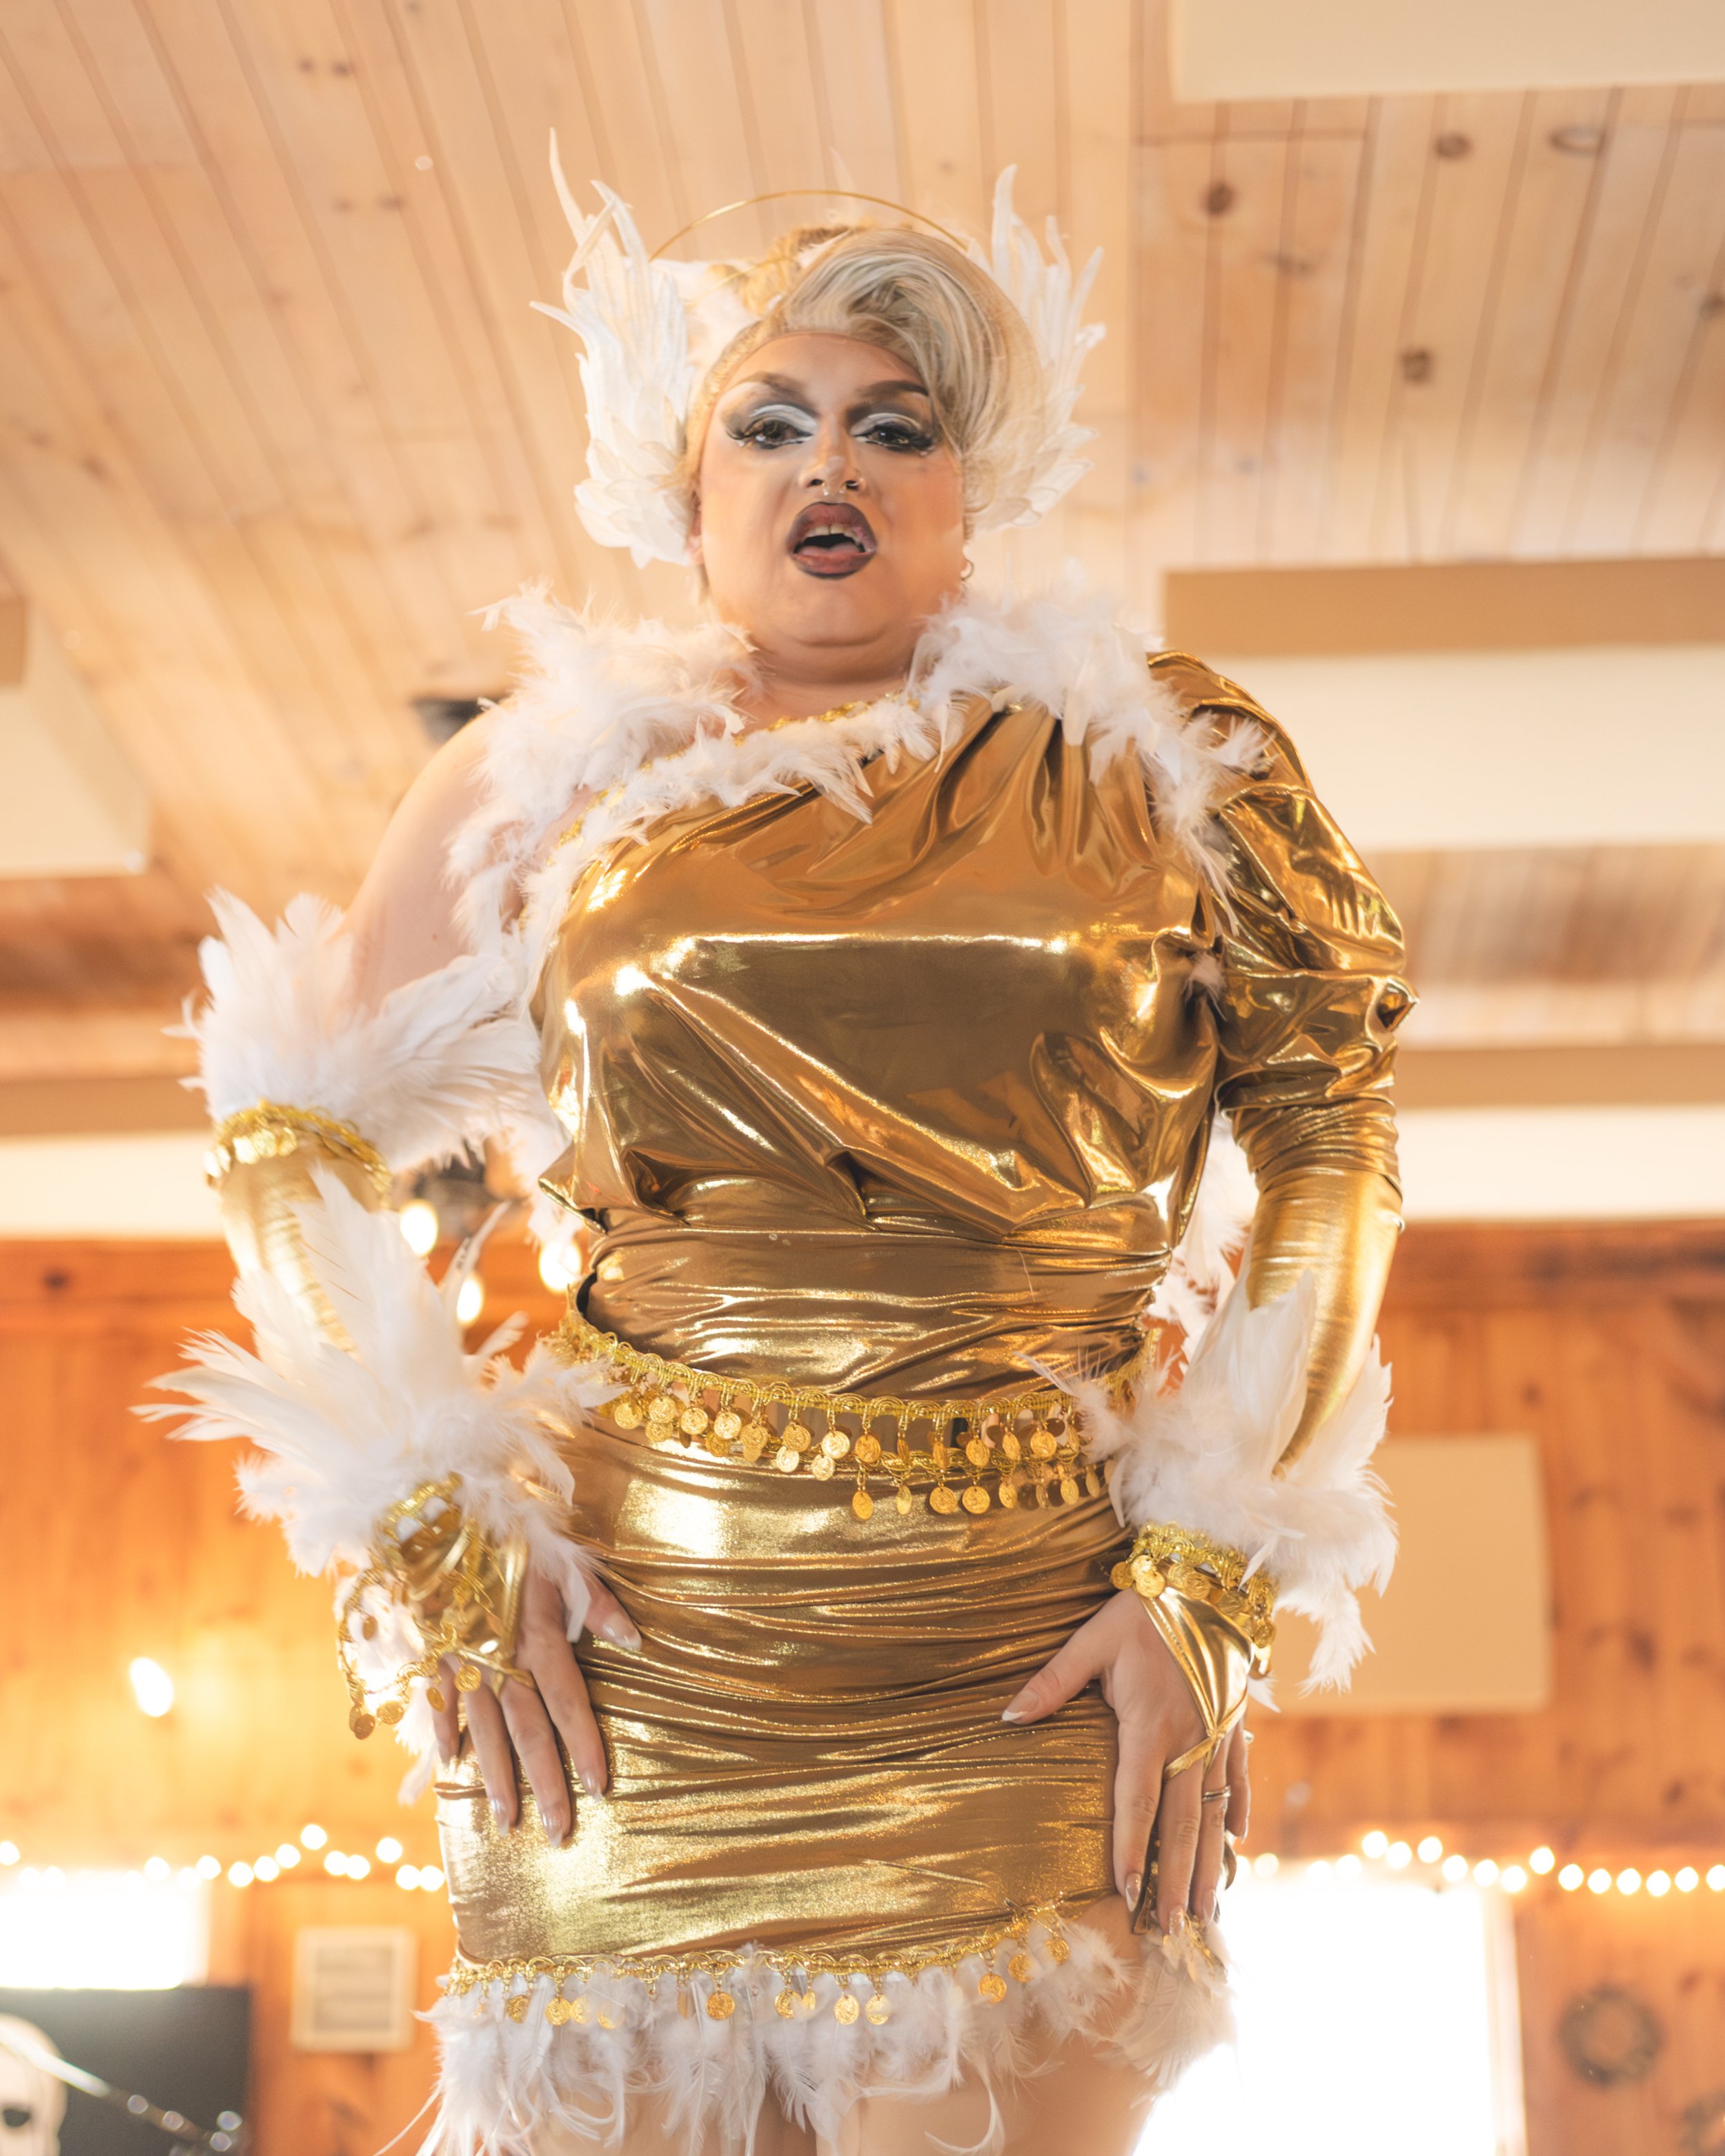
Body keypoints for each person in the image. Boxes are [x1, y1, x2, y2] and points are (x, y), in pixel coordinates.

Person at [158, 169, 1411, 2156]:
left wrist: (1211, 1575)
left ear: (963, 492)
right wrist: (423, 1515)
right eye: (768, 424)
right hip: (631, 1654)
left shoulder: (1163, 755)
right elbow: (286, 1126)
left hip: (1025, 1636)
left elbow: (1330, 1139)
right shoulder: (540, 771)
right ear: (686, 500)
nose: (827, 463)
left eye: (889, 424)